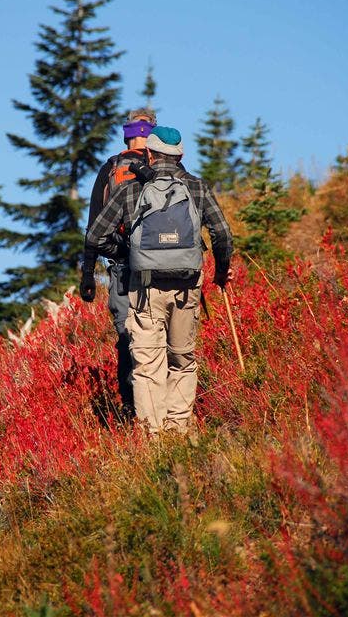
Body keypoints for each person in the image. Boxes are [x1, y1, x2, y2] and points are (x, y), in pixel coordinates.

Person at [85, 126, 233, 436]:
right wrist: (221, 271)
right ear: (180, 156)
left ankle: (153, 436)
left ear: (150, 155)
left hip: (145, 287)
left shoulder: (131, 190)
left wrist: (127, 253)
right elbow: (222, 234)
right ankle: (177, 430)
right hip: (187, 286)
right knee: (182, 358)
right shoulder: (197, 187)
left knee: (147, 364)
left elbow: (95, 236)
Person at [79, 108, 157, 416]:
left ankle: (130, 406)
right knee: (160, 335)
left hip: (123, 266)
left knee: (127, 337)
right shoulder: (168, 167)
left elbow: (93, 226)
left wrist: (88, 273)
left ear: (127, 135)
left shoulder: (111, 168)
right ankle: (161, 408)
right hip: (163, 268)